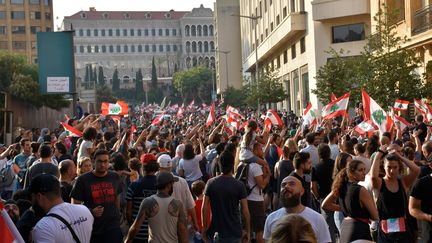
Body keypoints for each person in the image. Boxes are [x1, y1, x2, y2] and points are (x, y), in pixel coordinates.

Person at [71, 149, 123, 243]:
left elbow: (117, 198)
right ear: (93, 161)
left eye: (105, 161)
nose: (103, 164)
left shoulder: (115, 177)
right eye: (99, 161)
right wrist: (91, 211)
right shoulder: (83, 180)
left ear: (109, 162)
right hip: (92, 229)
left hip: (113, 227)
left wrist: (117, 215)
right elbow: (74, 205)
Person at [371, 144, 419, 242]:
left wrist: (400, 156)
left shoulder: (403, 182)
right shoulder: (380, 183)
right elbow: (373, 177)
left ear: (399, 167)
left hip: (403, 232)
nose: (392, 171)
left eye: (395, 167)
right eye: (389, 167)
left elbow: (416, 170)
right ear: (383, 167)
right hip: (385, 232)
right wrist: (378, 154)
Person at [322, 160, 378, 243]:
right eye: (360, 170)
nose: (363, 173)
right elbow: (375, 216)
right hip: (359, 229)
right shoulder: (360, 190)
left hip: (345, 227)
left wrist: (346, 209)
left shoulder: (341, 186)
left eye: (364, 170)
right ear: (351, 173)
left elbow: (325, 205)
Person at [263, 176, 331, 243]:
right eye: (283, 185)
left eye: (292, 184)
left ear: (302, 191)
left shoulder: (317, 218)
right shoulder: (271, 218)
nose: (286, 186)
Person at [125, 171, 188, 243]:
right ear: (169, 185)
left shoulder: (148, 202)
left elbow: (135, 228)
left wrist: (127, 240)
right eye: (172, 183)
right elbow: (182, 230)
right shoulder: (177, 204)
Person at [202, 151, 251, 243]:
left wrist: (204, 227)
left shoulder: (211, 183)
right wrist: (247, 231)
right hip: (234, 231)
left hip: (216, 231)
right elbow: (245, 211)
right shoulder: (239, 185)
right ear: (232, 165)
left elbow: (204, 208)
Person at [29, 174, 94, 243]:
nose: (31, 201)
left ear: (39, 196)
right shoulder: (84, 210)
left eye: (31, 197)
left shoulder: (43, 227)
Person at [126, 159, 159, 242]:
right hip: (156, 232)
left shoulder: (134, 185)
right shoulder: (161, 185)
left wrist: (131, 225)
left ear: (143, 169)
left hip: (138, 233)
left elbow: (128, 211)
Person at [245, 142, 270, 243]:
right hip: (255, 201)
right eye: (260, 149)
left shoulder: (245, 163)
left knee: (248, 228)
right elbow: (262, 185)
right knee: (260, 230)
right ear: (254, 151)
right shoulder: (254, 166)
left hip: (247, 199)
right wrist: (268, 175)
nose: (262, 151)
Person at [311, 144, 336, 243]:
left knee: (329, 226)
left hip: (324, 198)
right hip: (337, 197)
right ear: (329, 153)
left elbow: (313, 187)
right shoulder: (335, 164)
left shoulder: (316, 167)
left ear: (319, 154)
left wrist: (318, 197)